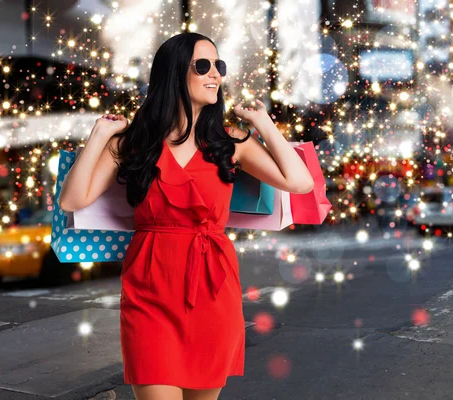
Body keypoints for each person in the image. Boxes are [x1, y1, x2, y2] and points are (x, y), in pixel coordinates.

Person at [58, 32, 314, 400]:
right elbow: (72, 199)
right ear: (175, 72)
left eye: (219, 66)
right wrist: (99, 135)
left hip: (212, 290)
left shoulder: (231, 141)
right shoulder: (133, 142)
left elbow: (299, 182)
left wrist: (265, 124)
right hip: (149, 291)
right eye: (204, 66)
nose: (216, 75)